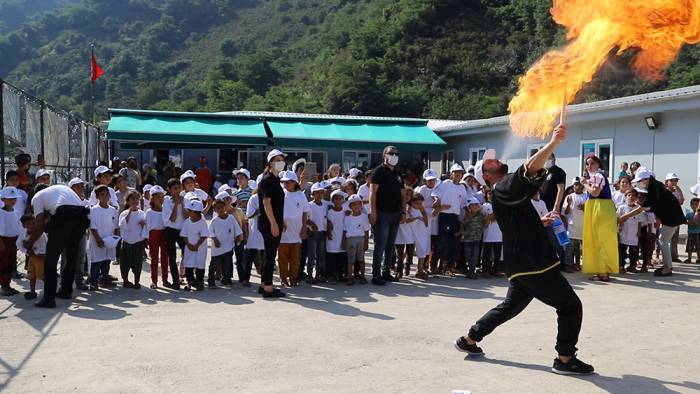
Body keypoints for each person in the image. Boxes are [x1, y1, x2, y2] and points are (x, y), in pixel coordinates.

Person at [456, 125, 594, 376]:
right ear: (487, 176)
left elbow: (520, 216)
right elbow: (530, 168)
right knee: (570, 306)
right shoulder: (503, 186)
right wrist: (553, 142)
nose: (495, 159)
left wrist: (539, 222)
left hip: (520, 263)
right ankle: (565, 359)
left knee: (510, 306)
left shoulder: (506, 191)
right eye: (490, 162)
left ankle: (470, 338)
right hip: (532, 262)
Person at [621, 168, 687, 276]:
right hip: (672, 217)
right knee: (663, 240)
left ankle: (667, 268)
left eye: (639, 181)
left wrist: (625, 216)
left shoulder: (653, 189)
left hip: (672, 219)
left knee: (662, 241)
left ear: (646, 179)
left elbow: (641, 208)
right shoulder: (655, 186)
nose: (638, 184)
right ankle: (668, 266)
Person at [370, 146, 404, 285]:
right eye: (391, 153)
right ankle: (376, 274)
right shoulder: (378, 171)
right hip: (382, 213)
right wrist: (373, 212)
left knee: (390, 246)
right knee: (380, 245)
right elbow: (372, 193)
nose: (394, 156)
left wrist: (403, 211)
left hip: (396, 213)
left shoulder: (398, 173)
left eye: (396, 153)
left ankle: (386, 272)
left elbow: (403, 195)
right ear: (384, 155)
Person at [581, 154, 619, 281]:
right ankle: (600, 270)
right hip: (596, 207)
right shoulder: (595, 177)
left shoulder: (598, 176)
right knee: (596, 239)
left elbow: (595, 192)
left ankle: (603, 271)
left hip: (600, 207)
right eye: (587, 163)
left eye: (592, 163)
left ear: (598, 164)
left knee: (601, 239)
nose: (589, 166)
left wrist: (584, 183)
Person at [257, 149, 287, 298]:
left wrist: (282, 221)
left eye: (282, 159)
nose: (281, 162)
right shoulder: (268, 179)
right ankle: (268, 287)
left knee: (268, 253)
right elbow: (266, 203)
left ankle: (264, 284)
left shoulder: (275, 179)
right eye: (278, 160)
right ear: (270, 163)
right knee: (270, 254)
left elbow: (276, 204)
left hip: (273, 221)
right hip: (269, 222)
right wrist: (274, 224)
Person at [432, 164, 469, 276]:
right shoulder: (445, 183)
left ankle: (449, 267)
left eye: (460, 172)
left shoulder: (462, 187)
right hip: (444, 215)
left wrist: (467, 214)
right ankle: (434, 266)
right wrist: (437, 200)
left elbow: (463, 204)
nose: (458, 174)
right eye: (455, 172)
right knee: (442, 241)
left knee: (453, 243)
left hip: (454, 218)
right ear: (451, 173)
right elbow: (435, 193)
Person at [278, 171, 309, 287]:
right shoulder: (281, 194)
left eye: (288, 182)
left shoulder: (300, 195)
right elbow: (277, 211)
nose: (286, 184)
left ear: (294, 182)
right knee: (282, 258)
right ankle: (283, 278)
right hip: (283, 233)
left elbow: (305, 212)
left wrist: (304, 228)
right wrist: (281, 222)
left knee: (295, 259)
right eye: (284, 182)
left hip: (297, 232)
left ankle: (293, 277)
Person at [88, 185, 119, 292]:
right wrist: (98, 239)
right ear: (97, 197)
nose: (105, 197)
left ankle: (104, 279)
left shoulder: (113, 210)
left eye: (107, 194)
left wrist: (115, 238)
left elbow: (116, 226)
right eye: (102, 195)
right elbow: (93, 227)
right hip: (98, 240)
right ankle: (93, 282)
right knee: (96, 261)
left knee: (106, 260)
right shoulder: (94, 210)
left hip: (109, 240)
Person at [208, 198, 243, 288]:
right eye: (218, 208)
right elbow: (210, 232)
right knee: (214, 265)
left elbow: (237, 229)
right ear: (214, 210)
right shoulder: (214, 221)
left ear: (225, 207)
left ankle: (226, 279)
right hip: (217, 248)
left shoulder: (231, 218)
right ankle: (211, 281)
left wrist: (239, 237)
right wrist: (215, 240)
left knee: (227, 264)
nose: (220, 209)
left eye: (222, 207)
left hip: (228, 247)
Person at [119, 190, 147, 289]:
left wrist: (144, 225)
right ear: (128, 201)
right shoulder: (124, 213)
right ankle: (125, 280)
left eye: (137, 199)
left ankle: (136, 281)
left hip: (138, 242)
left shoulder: (142, 213)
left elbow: (146, 227)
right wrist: (130, 212)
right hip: (127, 242)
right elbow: (122, 225)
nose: (135, 201)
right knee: (124, 263)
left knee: (137, 263)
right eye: (132, 199)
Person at [179, 199, 209, 291]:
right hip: (189, 248)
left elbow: (204, 236)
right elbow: (184, 235)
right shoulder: (187, 222)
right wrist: (188, 244)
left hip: (200, 248)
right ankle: (190, 281)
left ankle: (200, 281)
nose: (189, 212)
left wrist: (197, 245)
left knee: (200, 264)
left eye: (190, 211)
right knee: (189, 264)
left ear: (196, 212)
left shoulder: (203, 222)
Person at [162, 178, 186, 290]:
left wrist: (182, 204)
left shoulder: (184, 199)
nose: (177, 191)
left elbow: (186, 217)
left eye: (179, 188)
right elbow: (172, 219)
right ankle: (175, 281)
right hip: (170, 230)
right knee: (172, 256)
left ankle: (188, 277)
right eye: (174, 189)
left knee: (187, 253)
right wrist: (176, 205)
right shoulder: (166, 201)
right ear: (169, 190)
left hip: (182, 230)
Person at [342, 194, 370, 285]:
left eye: (358, 204)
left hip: (361, 240)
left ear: (361, 205)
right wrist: (344, 242)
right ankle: (350, 277)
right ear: (350, 206)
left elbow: (366, 231)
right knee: (350, 260)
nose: (356, 206)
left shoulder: (364, 217)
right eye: (353, 204)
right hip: (350, 240)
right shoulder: (347, 217)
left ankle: (363, 276)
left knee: (361, 259)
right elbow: (344, 231)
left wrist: (366, 242)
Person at [17, 214, 47, 299]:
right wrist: (27, 251)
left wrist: (39, 254)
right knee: (31, 275)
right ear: (24, 226)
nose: (32, 225)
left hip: (40, 258)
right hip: (31, 258)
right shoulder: (23, 234)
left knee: (43, 275)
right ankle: (32, 291)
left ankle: (48, 291)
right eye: (29, 224)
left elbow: (44, 246)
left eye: (34, 223)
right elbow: (19, 244)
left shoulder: (40, 234)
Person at [416, 169, 440, 274]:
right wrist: (431, 211)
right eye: (429, 180)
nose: (431, 182)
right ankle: (422, 265)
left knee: (432, 243)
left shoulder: (438, 189)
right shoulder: (422, 189)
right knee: (424, 243)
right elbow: (420, 206)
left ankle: (430, 265)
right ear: (425, 181)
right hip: (424, 220)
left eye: (433, 180)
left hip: (435, 221)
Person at [146, 185, 170, 289]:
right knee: (154, 258)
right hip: (153, 234)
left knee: (165, 258)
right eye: (158, 197)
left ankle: (165, 280)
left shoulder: (166, 210)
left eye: (162, 197)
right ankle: (154, 281)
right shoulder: (149, 212)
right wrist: (146, 239)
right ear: (152, 199)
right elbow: (147, 227)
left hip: (164, 233)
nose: (161, 199)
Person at [0, 187, 22, 296]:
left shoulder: (17, 212)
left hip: (14, 241)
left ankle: (7, 284)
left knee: (11, 262)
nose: (12, 201)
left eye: (14, 198)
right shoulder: (0, 213)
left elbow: (19, 227)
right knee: (3, 263)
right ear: (3, 199)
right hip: (4, 241)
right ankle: (4, 286)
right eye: (9, 199)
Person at [563, 177, 588, 271]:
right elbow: (565, 212)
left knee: (579, 249)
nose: (577, 186)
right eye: (575, 184)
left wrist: (584, 208)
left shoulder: (586, 196)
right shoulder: (569, 197)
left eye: (579, 184)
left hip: (583, 227)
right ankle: (568, 265)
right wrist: (569, 204)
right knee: (570, 248)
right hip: (572, 227)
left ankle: (578, 265)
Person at [307, 182, 328, 283]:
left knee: (321, 255)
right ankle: (310, 274)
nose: (319, 195)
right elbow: (305, 219)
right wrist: (311, 223)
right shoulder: (309, 205)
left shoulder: (326, 204)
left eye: (321, 193)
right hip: (312, 234)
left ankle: (319, 274)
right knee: (312, 255)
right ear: (312, 194)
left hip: (323, 233)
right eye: (317, 193)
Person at [243, 186, 264, 286]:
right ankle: (246, 279)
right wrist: (259, 211)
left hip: (265, 232)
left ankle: (265, 280)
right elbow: (248, 214)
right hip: (255, 231)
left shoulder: (270, 197)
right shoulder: (253, 198)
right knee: (250, 257)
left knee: (265, 257)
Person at [481, 190, 504, 278]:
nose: (491, 195)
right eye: (489, 194)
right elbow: (483, 219)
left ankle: (496, 270)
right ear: (486, 195)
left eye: (493, 194)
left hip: (499, 232)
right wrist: (490, 218)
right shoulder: (484, 206)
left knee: (497, 254)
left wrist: (492, 217)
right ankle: (485, 270)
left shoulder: (500, 205)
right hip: (488, 233)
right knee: (487, 253)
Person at [461, 198, 485, 279]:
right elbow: (463, 225)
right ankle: (469, 270)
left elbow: (485, 224)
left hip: (477, 239)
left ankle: (472, 271)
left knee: (474, 256)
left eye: (476, 205)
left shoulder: (481, 215)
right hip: (467, 239)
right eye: (472, 205)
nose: (475, 207)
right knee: (468, 256)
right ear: (469, 207)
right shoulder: (467, 215)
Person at [407, 192, 430, 279]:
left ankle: (420, 269)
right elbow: (408, 220)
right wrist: (416, 218)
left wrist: (423, 215)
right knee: (407, 250)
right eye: (417, 203)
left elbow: (426, 221)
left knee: (422, 250)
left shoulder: (422, 210)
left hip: (421, 232)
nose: (419, 205)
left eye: (421, 203)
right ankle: (403, 267)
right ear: (412, 202)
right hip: (411, 231)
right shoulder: (409, 209)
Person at [617, 189, 641, 273]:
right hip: (624, 233)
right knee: (622, 252)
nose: (631, 197)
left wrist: (639, 231)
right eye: (629, 195)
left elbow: (639, 221)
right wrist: (619, 228)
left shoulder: (638, 209)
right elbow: (618, 219)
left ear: (636, 198)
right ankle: (621, 266)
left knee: (633, 252)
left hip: (633, 234)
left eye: (633, 196)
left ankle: (632, 266)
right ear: (625, 197)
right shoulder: (622, 207)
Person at [326, 189, 347, 283]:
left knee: (341, 258)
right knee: (331, 258)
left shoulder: (346, 212)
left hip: (342, 238)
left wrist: (344, 239)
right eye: (336, 199)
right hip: (331, 239)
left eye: (340, 199)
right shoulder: (329, 212)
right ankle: (331, 276)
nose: (338, 201)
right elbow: (326, 223)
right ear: (332, 201)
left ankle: (340, 274)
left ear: (343, 200)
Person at [394, 187, 415, 280]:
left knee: (410, 252)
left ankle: (408, 265)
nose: (407, 197)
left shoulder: (413, 206)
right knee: (399, 253)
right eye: (406, 194)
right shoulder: (397, 206)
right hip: (399, 232)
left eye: (409, 195)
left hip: (410, 233)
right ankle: (399, 271)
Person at [664, 173, 685, 263]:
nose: (674, 182)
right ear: (667, 182)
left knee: (674, 238)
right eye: (671, 180)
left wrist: (679, 190)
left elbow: (681, 201)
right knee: (663, 239)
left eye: (675, 180)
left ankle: (674, 256)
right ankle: (660, 256)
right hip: (665, 217)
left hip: (675, 217)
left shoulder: (676, 191)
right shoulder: (663, 191)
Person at [684, 198, 700, 264]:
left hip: (698, 233)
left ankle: (699, 258)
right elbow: (684, 221)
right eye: (692, 204)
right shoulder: (689, 214)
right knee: (689, 247)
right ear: (690, 205)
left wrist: (696, 223)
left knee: (698, 247)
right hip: (690, 233)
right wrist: (688, 223)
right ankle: (689, 258)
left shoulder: (699, 214)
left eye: (696, 204)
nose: (694, 206)